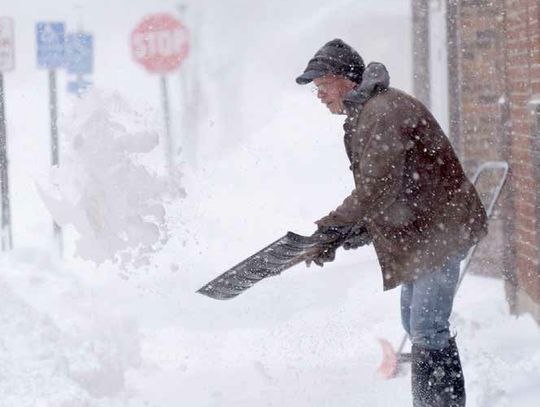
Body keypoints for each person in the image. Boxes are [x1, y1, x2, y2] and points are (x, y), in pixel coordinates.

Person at [296, 39, 487, 407]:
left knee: (427, 328)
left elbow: (377, 189)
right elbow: (393, 188)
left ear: (345, 79)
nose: (319, 95)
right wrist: (349, 234)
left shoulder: (382, 113)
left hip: (442, 228)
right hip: (423, 229)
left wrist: (331, 228)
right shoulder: (367, 114)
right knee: (414, 324)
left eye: (322, 86)